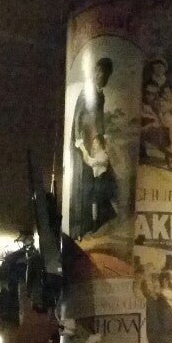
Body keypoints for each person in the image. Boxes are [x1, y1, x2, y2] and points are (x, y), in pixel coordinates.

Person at [70, 56, 114, 239]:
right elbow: (78, 117)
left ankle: (97, 220)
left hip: (94, 139)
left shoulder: (100, 94)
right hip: (82, 140)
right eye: (98, 71)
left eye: (104, 73)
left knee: (99, 181)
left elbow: (99, 117)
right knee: (83, 183)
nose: (100, 76)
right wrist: (80, 143)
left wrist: (103, 137)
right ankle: (80, 228)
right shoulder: (86, 92)